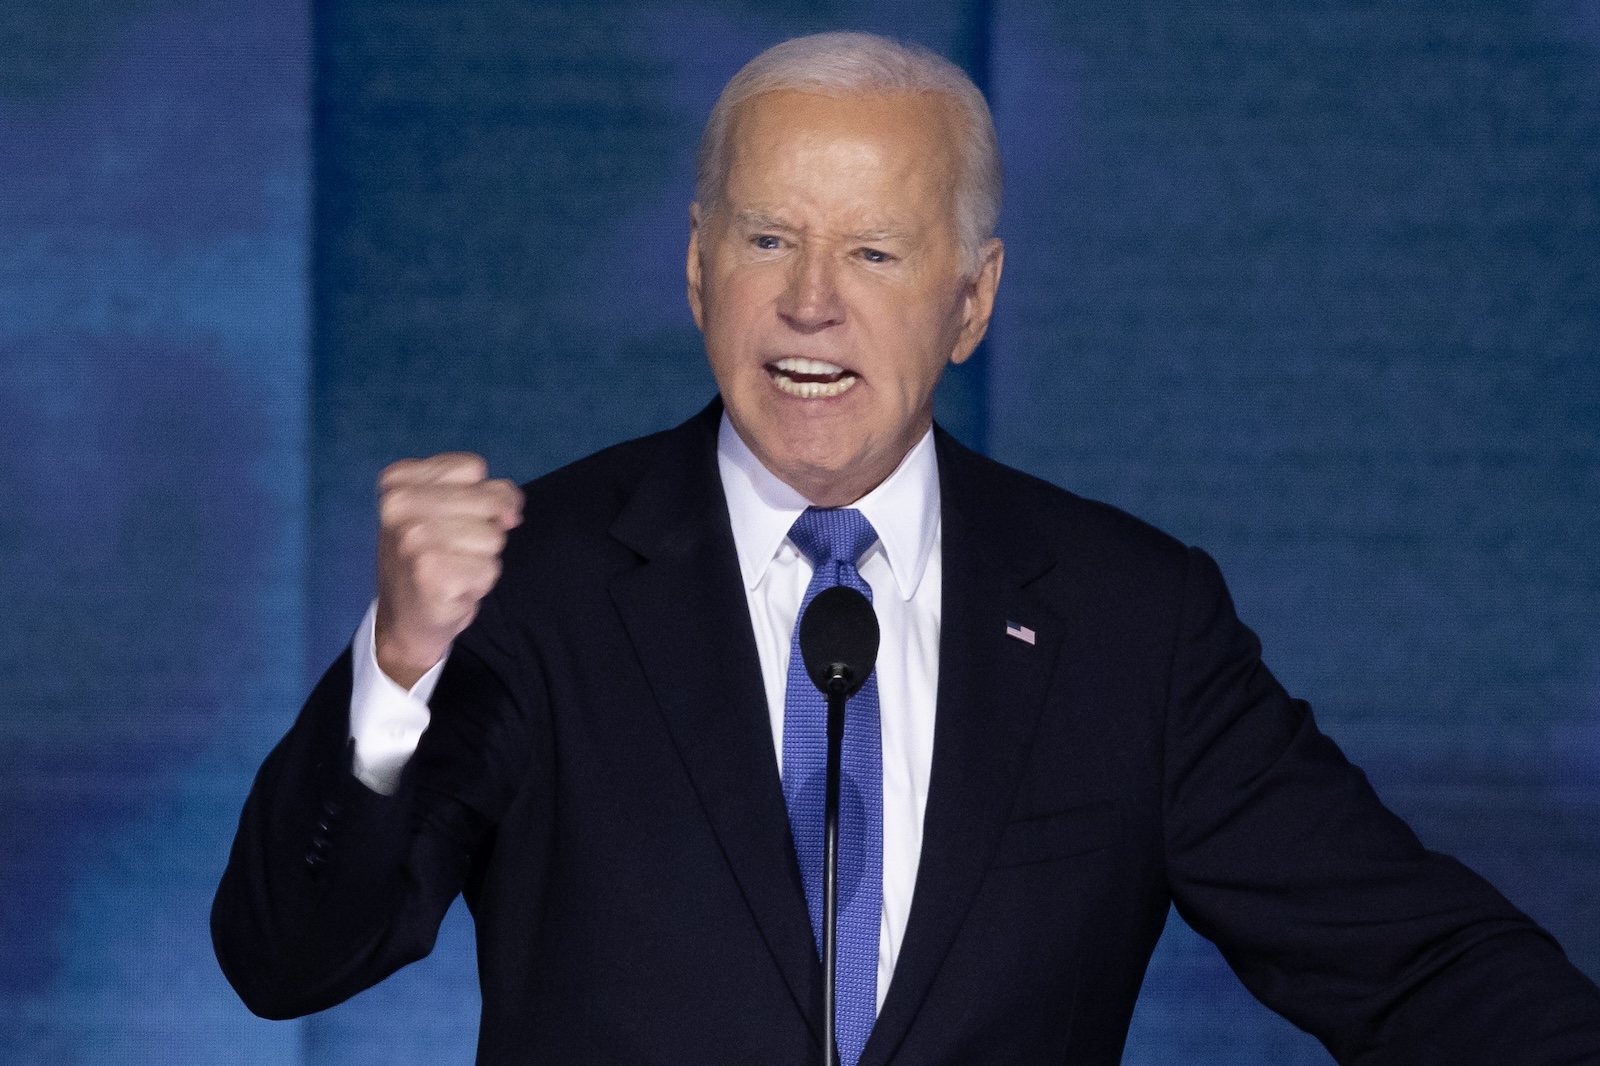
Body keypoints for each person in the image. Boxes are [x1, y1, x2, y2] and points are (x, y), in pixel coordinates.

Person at [212, 31, 1600, 1065]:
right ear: (698, 268)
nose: (811, 303)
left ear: (973, 298)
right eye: (769, 239)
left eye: (875, 253)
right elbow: (287, 958)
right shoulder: (537, 583)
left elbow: (1421, 967)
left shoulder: (1133, 622)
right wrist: (394, 672)